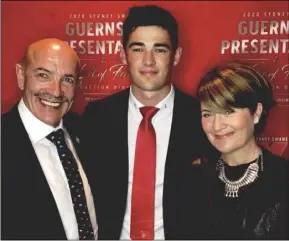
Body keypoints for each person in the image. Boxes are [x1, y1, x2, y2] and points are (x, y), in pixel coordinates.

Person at [81, 5, 215, 240]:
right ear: (123, 55)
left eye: (160, 49)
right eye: (138, 48)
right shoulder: (97, 117)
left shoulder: (202, 117)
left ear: (177, 56)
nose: (148, 61)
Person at [1, 38, 98, 240]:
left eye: (67, 79)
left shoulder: (85, 131)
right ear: (21, 75)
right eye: (44, 75)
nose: (56, 91)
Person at [196, 62, 289, 239]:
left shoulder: (282, 178)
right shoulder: (193, 179)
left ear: (256, 113)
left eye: (228, 111)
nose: (217, 126)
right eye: (207, 114)